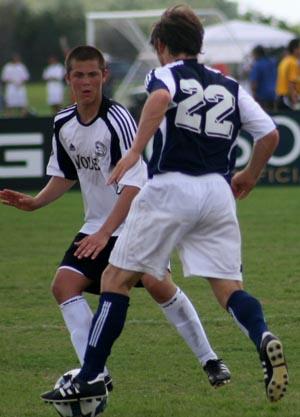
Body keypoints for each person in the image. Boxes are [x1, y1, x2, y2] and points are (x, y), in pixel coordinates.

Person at [40, 7, 289, 407]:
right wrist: (249, 175)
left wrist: (135, 150)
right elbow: (271, 135)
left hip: (172, 187)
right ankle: (261, 334)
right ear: (200, 44)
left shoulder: (166, 73)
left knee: (115, 281)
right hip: (218, 193)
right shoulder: (229, 85)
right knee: (228, 289)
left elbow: (158, 98)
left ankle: (89, 377)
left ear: (160, 45)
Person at [0, 44, 230, 394]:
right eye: (79, 75)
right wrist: (35, 203)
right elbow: (65, 174)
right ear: (68, 78)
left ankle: (210, 359)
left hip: (138, 221)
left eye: (94, 74)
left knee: (156, 284)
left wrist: (107, 232)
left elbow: (135, 183)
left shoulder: (118, 119)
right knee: (64, 286)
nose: (87, 81)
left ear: (104, 76)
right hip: (97, 226)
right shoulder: (63, 122)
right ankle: (95, 374)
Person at [249, 45, 277, 112]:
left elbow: (254, 83)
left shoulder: (257, 65)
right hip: (273, 94)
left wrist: (253, 96)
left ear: (257, 54)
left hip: (262, 97)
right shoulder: (272, 63)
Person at [276, 38, 300, 110]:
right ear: (295, 49)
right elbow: (291, 83)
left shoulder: (285, 60)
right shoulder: (293, 62)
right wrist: (294, 101)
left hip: (281, 97)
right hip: (289, 99)